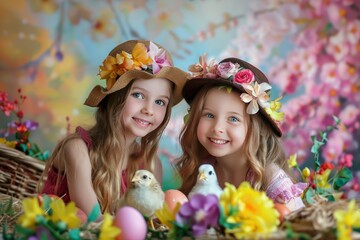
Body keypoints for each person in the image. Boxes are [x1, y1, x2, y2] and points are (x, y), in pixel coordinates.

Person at [38, 39, 188, 217]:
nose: (148, 109)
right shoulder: (78, 149)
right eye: (138, 95)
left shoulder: (150, 164)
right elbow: (94, 219)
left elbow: (147, 222)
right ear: (115, 96)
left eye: (160, 102)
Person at [176, 55, 307, 211]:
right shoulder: (205, 167)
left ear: (255, 128)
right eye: (209, 115)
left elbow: (296, 226)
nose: (217, 127)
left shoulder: (269, 178)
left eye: (233, 118)